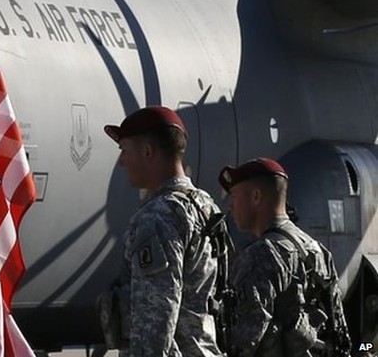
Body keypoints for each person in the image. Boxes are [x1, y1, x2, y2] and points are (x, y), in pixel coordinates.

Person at [103, 106, 222, 356]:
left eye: (125, 151)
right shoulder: (205, 206)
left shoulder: (158, 216)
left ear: (147, 151)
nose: (122, 162)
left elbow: (156, 316)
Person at [219, 158, 351, 356]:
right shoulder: (318, 251)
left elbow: (242, 342)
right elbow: (339, 330)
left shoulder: (259, 255)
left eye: (235, 196)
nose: (230, 206)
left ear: (256, 196)